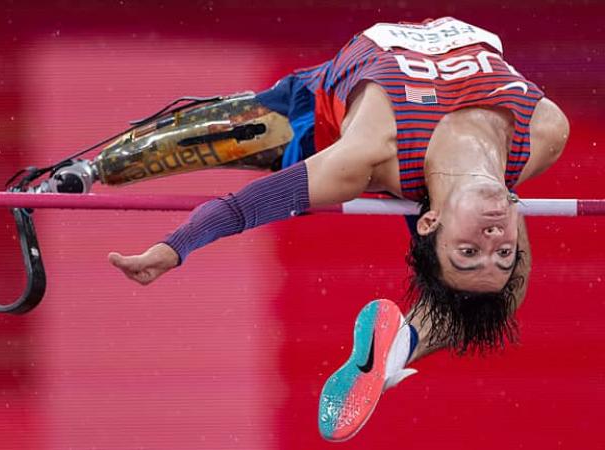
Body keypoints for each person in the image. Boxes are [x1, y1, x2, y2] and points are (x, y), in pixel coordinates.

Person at [107, 17, 569, 441]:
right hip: (431, 156)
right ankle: (398, 349)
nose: (492, 240)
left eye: (467, 251)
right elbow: (486, 225)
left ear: (429, 223)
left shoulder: (365, 154)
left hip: (318, 118)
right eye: (503, 251)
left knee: (124, 160)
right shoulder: (546, 132)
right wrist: (479, 249)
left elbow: (243, 208)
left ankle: (394, 350)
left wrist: (175, 247)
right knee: (501, 294)